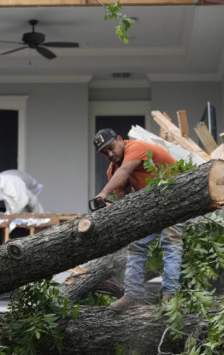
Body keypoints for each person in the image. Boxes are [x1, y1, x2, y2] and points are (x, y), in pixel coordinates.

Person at [93, 128, 184, 312]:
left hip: (173, 198)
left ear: (120, 139)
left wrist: (103, 193)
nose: (110, 154)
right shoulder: (113, 172)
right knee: (136, 243)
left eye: (111, 148)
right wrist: (111, 208)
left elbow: (126, 171)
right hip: (152, 207)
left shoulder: (136, 147)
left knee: (171, 241)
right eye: (105, 153)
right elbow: (127, 203)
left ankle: (170, 295)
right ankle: (132, 294)